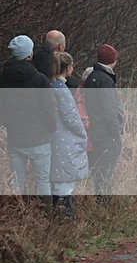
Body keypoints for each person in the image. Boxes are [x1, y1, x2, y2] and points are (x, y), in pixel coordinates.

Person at [0, 35, 58, 213]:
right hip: (39, 139)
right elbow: (50, 110)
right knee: (42, 181)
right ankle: (45, 218)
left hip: (15, 138)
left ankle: (17, 218)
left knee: (17, 180)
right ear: (29, 54)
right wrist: (51, 129)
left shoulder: (3, 79)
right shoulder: (39, 80)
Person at [82, 44, 124, 203]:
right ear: (113, 60)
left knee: (101, 170)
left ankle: (102, 203)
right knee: (104, 171)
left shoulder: (93, 76)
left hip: (96, 131)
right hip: (105, 133)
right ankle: (104, 204)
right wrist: (116, 134)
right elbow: (108, 112)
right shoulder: (105, 79)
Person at [49, 52, 88, 218]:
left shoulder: (49, 85)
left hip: (53, 137)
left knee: (58, 177)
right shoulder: (61, 89)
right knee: (64, 180)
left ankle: (60, 213)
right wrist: (82, 133)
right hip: (64, 139)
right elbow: (71, 117)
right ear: (67, 68)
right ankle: (65, 215)